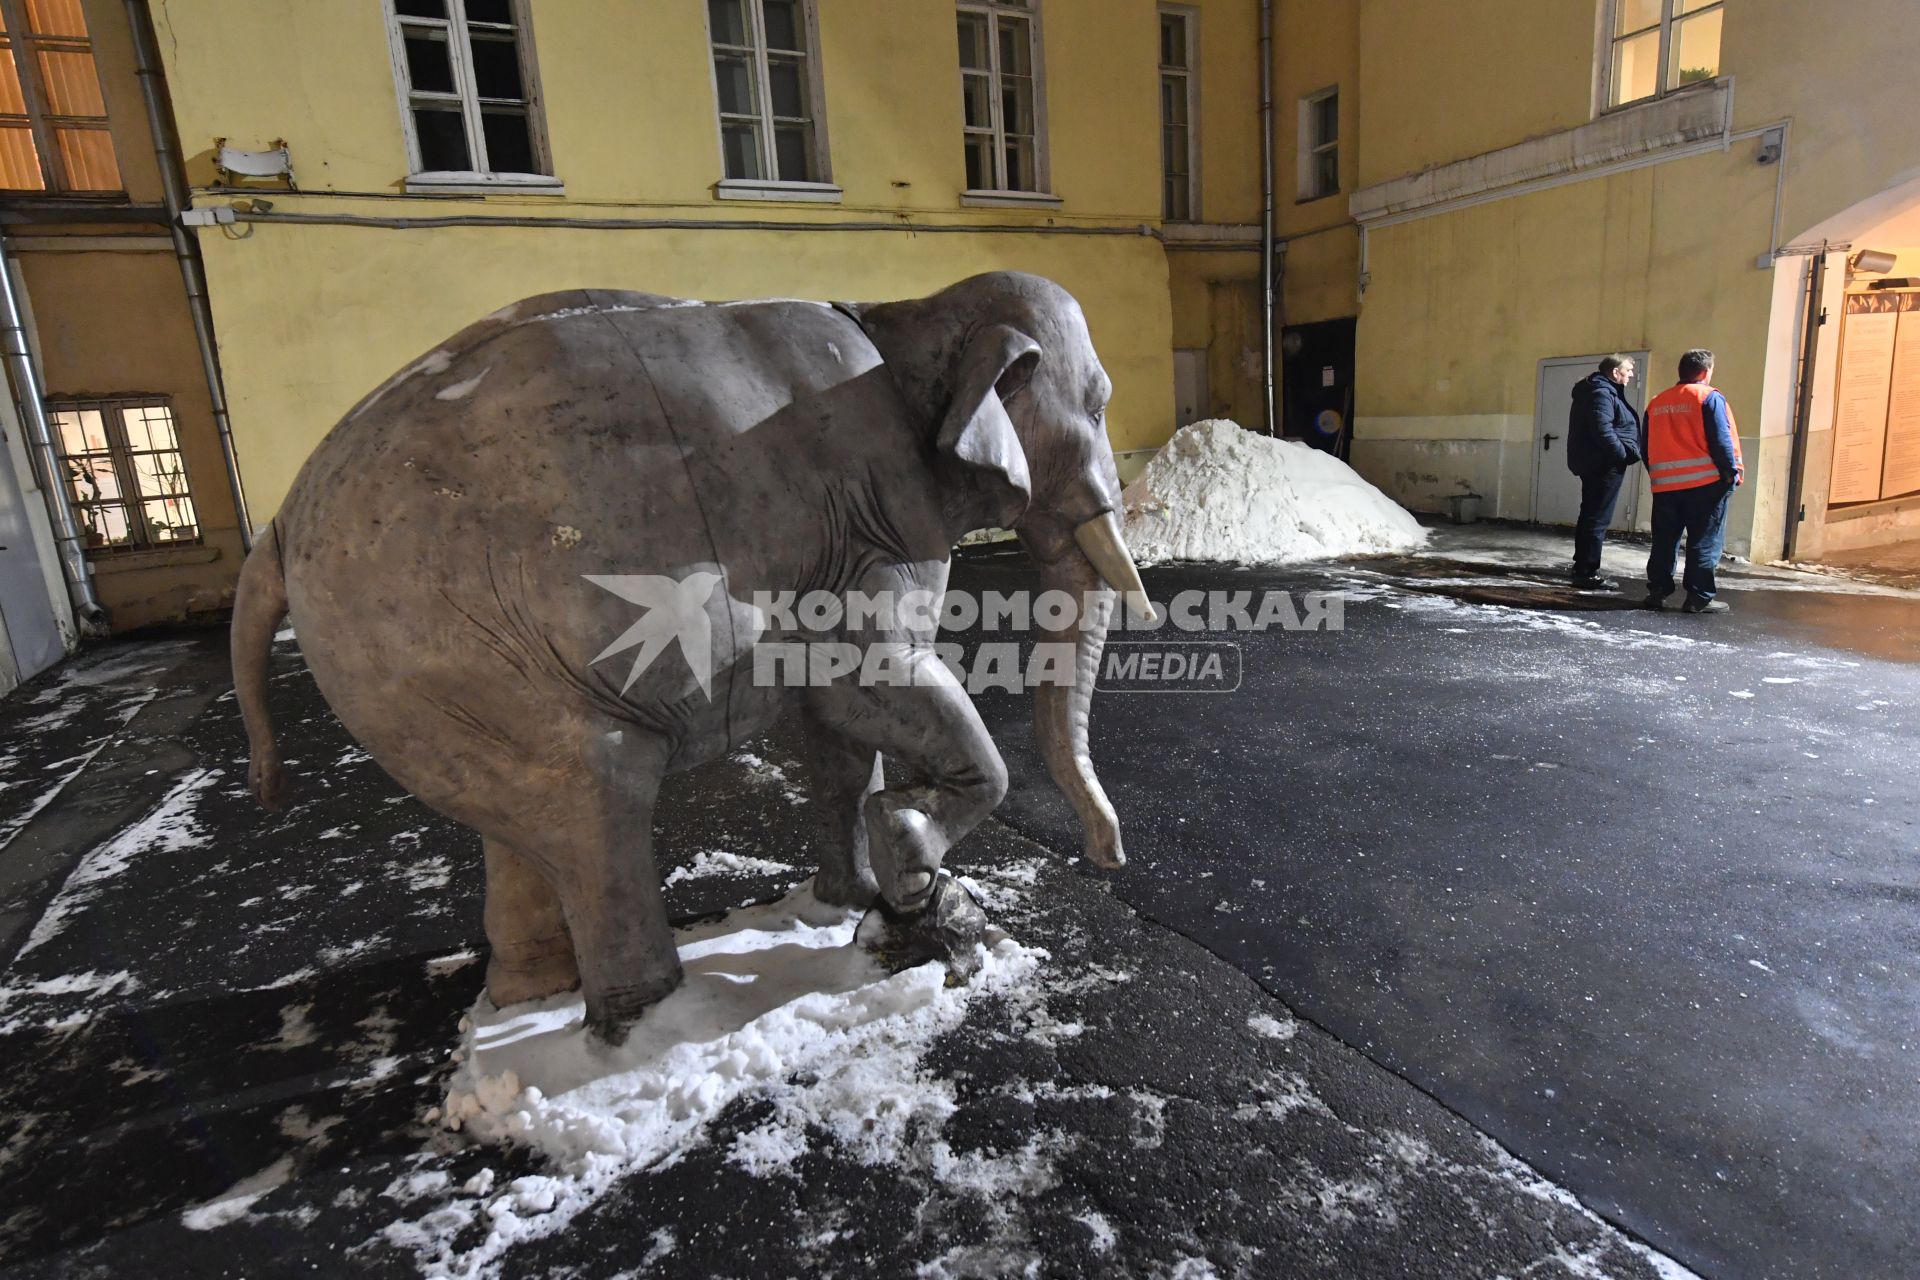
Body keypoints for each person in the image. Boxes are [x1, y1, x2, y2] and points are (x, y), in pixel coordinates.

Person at [1643, 349, 1743, 614]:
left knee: (1664, 540)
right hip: (1705, 485)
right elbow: (1721, 439)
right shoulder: (1708, 397)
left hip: (1665, 486)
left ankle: (1657, 591)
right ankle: (1698, 598)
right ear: (1705, 372)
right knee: (1704, 541)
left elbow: (1646, 446)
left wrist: (1658, 473)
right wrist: (1730, 473)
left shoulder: (1657, 403)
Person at [1565, 354, 1642, 588]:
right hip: (1603, 464)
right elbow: (1602, 431)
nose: (1630, 375)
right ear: (1615, 372)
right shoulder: (1601, 393)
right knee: (1597, 518)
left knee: (1590, 514)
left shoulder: (1599, 390)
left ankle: (1582, 564)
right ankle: (1587, 572)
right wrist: (1621, 455)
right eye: (1628, 370)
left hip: (1597, 462)